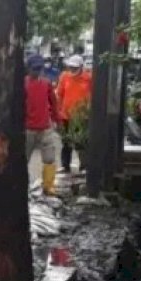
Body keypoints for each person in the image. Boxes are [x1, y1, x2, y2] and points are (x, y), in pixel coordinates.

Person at [24, 54, 62, 195]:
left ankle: (48, 186)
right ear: (29, 69)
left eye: (39, 69)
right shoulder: (23, 84)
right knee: (23, 160)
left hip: (45, 127)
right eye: (35, 69)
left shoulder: (46, 84)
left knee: (49, 158)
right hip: (28, 128)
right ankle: (24, 187)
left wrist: (57, 120)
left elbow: (53, 103)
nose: (37, 72)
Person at [55, 54, 93, 173]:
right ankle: (65, 165)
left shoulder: (88, 78)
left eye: (75, 67)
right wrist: (58, 112)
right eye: (70, 67)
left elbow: (93, 96)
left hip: (81, 117)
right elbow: (59, 95)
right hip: (66, 115)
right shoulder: (64, 77)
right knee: (66, 142)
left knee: (80, 142)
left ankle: (84, 166)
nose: (72, 69)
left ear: (81, 67)